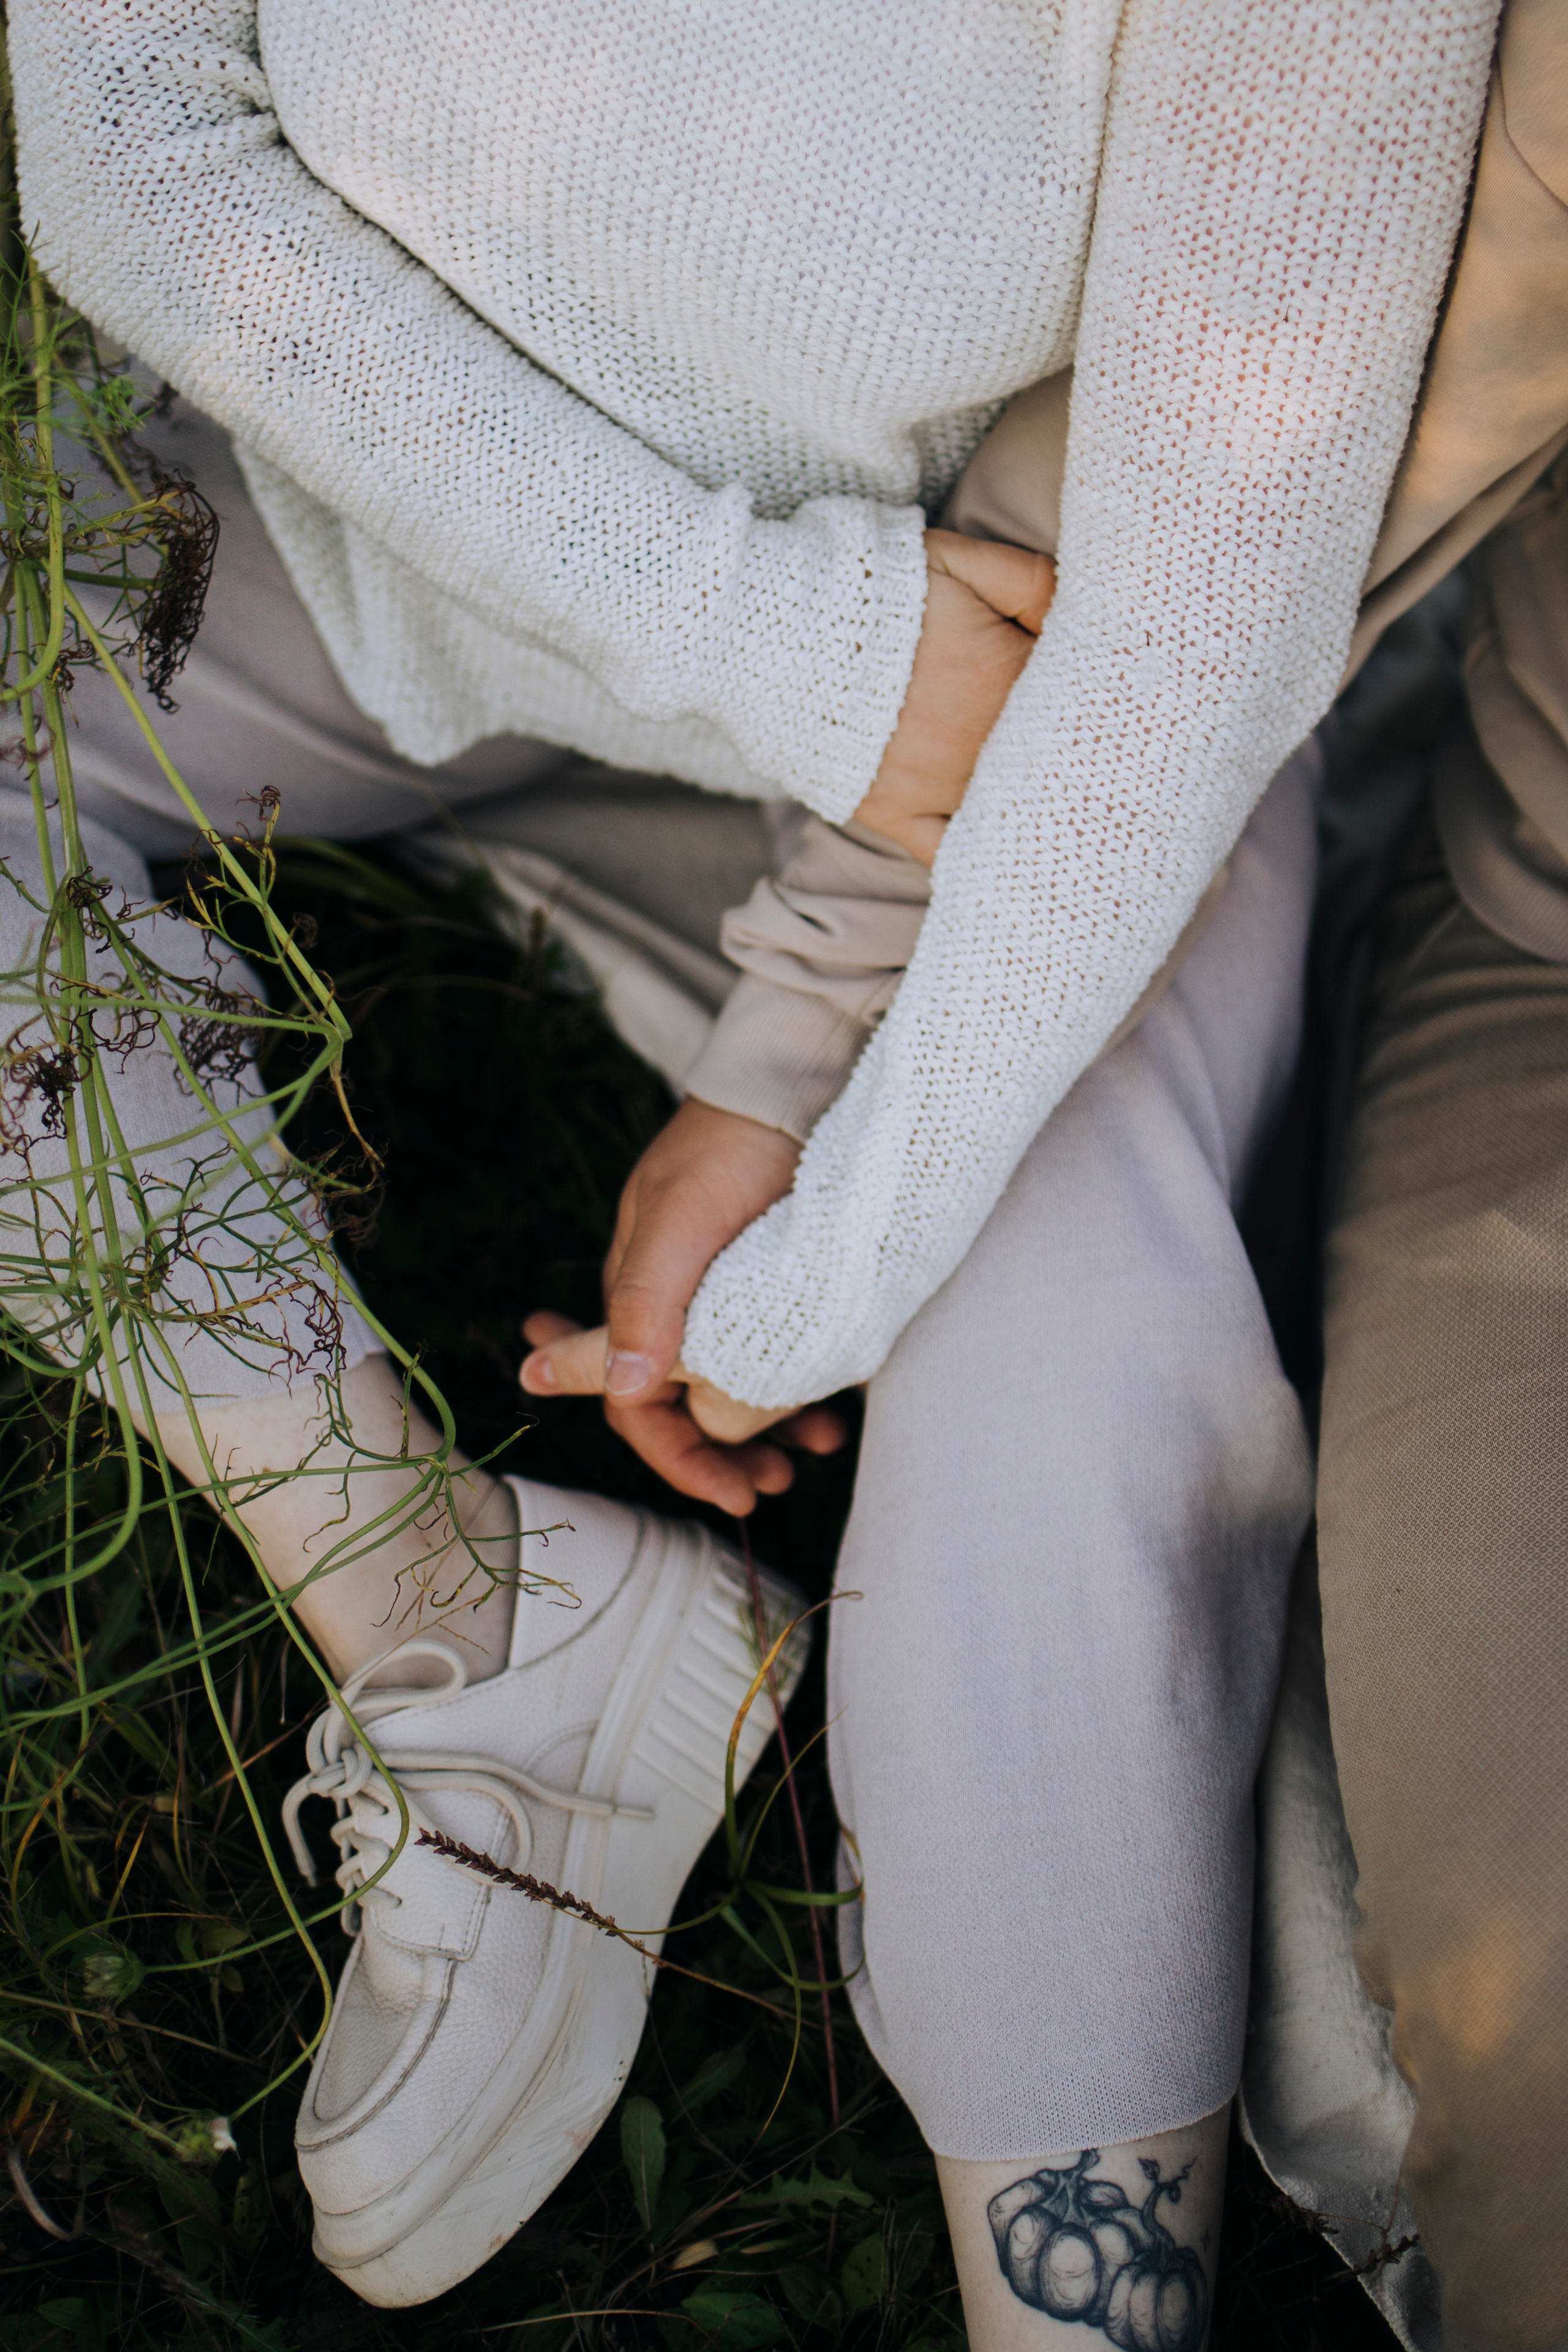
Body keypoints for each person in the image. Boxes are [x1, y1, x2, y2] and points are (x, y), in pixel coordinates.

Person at [6, 2, 1539, 2342]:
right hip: (404, 566)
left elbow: (1200, 574)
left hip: (1043, 723)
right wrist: (770, 643)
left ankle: (1077, 2301)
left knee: (1060, 1318)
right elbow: (126, 141)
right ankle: (464, 1615)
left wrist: (799, 1203)